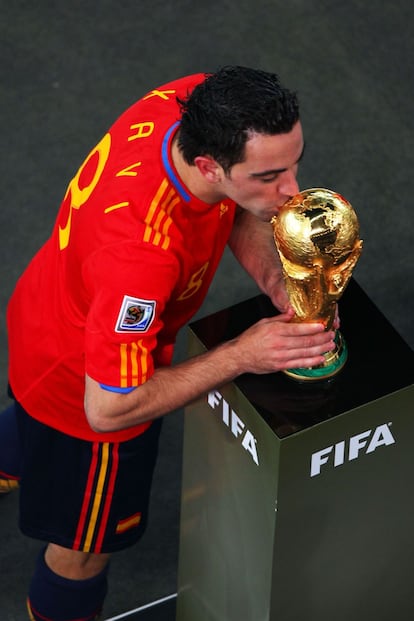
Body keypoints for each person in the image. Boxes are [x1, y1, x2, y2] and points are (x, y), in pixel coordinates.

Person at [0, 65, 336, 620]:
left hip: (43, 311)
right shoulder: (141, 259)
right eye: (270, 176)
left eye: (294, 164)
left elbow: (229, 204)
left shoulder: (190, 102)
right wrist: (244, 354)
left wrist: (274, 277)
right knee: (83, 552)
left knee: (27, 422)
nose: (292, 191)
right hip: (79, 392)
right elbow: (109, 408)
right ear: (208, 165)